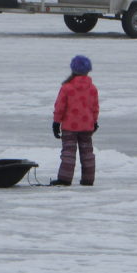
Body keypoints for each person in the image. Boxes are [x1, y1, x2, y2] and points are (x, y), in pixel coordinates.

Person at [51, 54, 99, 186]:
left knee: (68, 153)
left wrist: (56, 122)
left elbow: (60, 106)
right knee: (87, 154)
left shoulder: (67, 87)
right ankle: (88, 179)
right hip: (86, 126)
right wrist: (94, 122)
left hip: (69, 127)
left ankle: (65, 179)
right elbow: (95, 107)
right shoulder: (92, 88)